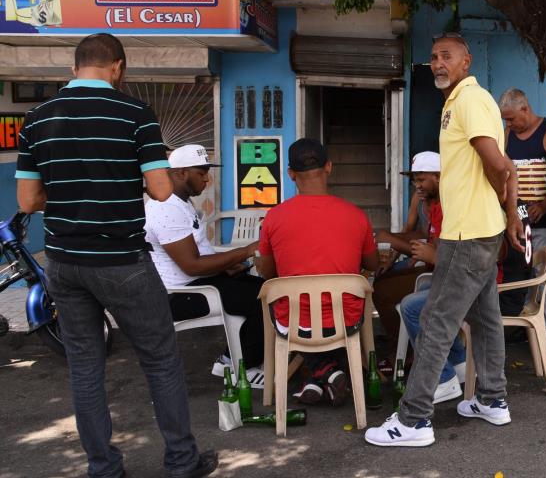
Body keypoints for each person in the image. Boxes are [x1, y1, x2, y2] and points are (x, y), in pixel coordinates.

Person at [15, 33, 216, 478]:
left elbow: (28, 200)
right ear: (118, 68)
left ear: (74, 68)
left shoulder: (36, 118)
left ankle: (104, 468)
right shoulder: (135, 114)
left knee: (85, 367)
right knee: (161, 359)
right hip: (122, 260)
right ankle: (182, 462)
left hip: (63, 263)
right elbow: (162, 190)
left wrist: (73, 196)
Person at [365, 32, 524, 447]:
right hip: (479, 228)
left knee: (436, 320)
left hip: (467, 233)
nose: (438, 63)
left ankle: (414, 420)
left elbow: (497, 165)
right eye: (433, 57)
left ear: (466, 61)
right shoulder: (459, 102)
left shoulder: (470, 100)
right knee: (486, 320)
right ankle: (492, 399)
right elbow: (508, 166)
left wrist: (504, 208)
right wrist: (509, 214)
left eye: (447, 56)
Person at [255, 138, 379, 407]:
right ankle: (327, 374)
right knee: (324, 317)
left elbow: (267, 273)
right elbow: (373, 264)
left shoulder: (274, 217)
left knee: (283, 308)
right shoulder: (356, 215)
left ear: (290, 173)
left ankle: (320, 375)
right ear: (329, 167)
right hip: (346, 319)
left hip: (294, 322)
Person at [143, 144, 265, 388]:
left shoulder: (180, 202)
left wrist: (227, 266)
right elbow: (192, 266)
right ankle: (245, 368)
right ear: (180, 173)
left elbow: (199, 257)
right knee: (263, 297)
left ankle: (229, 359)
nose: (207, 179)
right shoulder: (165, 208)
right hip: (180, 295)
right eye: (201, 172)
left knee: (265, 285)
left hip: (199, 282)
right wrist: (245, 250)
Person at [498, 87, 546, 363]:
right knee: (520, 272)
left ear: (526, 109)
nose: (509, 124)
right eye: (505, 120)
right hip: (517, 221)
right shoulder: (507, 136)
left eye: (512, 118)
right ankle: (522, 323)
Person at [371, 152, 442, 368]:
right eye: (415, 180)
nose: (417, 185)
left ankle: (406, 352)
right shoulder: (423, 199)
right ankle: (402, 346)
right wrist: (393, 253)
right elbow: (412, 231)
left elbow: (439, 251)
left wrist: (393, 241)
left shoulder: (449, 203)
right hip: (429, 264)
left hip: (442, 275)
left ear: (439, 176)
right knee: (381, 279)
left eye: (421, 180)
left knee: (382, 292)